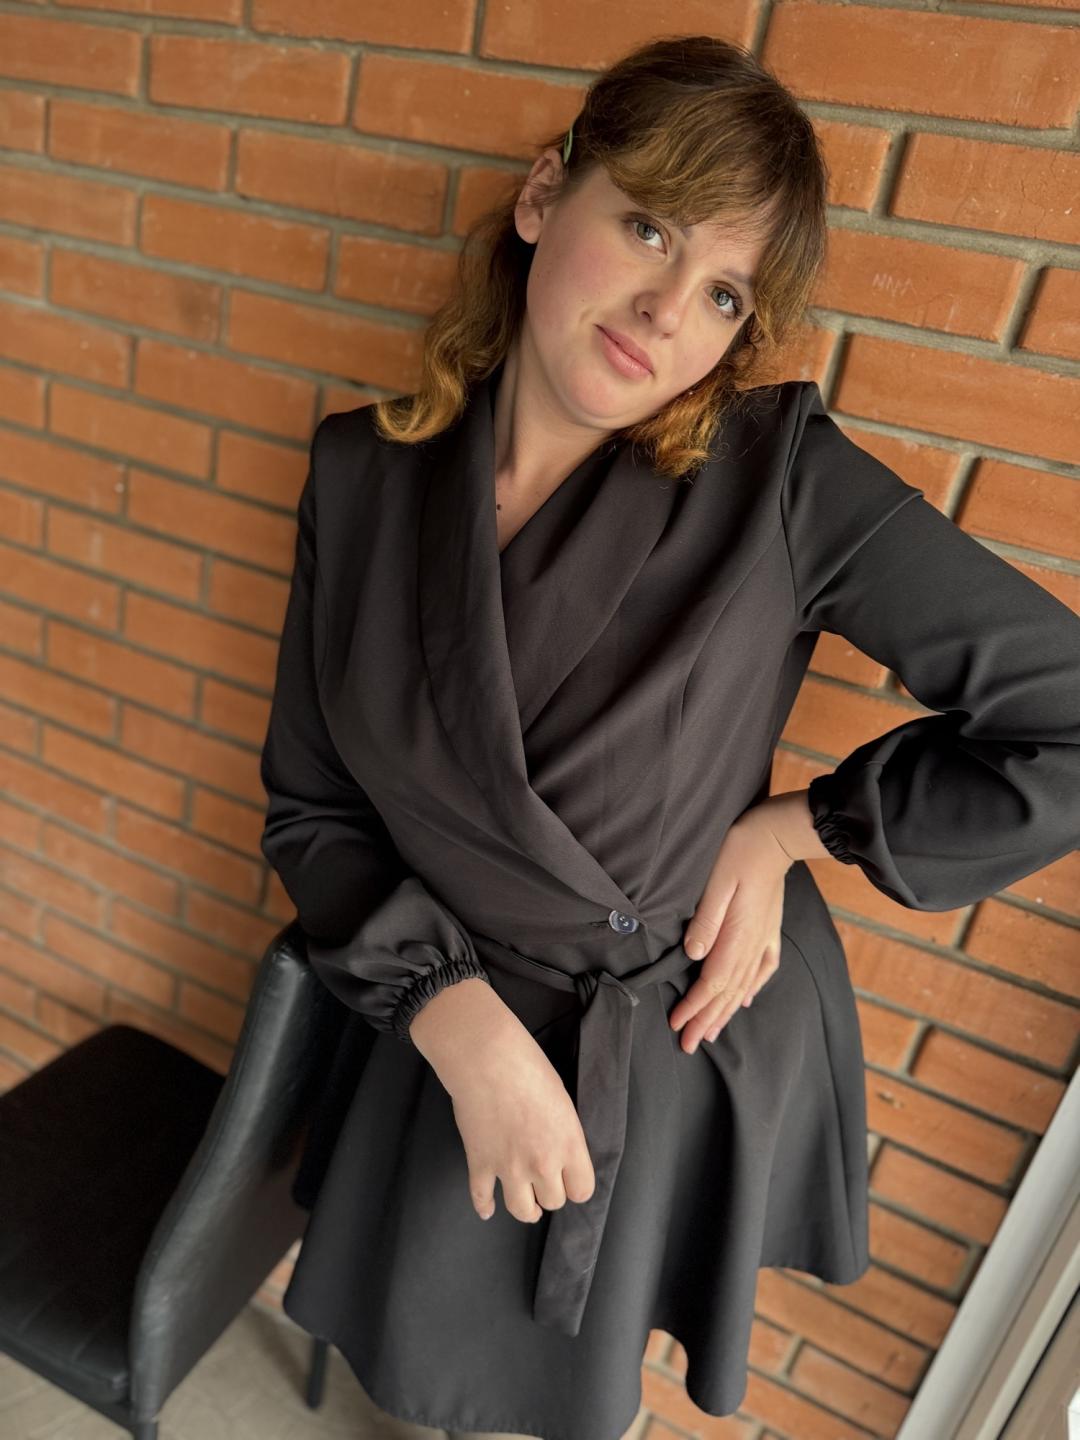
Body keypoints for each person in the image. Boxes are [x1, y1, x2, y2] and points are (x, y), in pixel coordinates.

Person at [257, 33, 1080, 1440]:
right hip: (434, 1007)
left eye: (722, 292)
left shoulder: (779, 482)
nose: (664, 308)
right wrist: (457, 1024)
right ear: (542, 197)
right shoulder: (361, 477)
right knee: (431, 1372)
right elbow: (312, 810)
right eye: (648, 226)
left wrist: (799, 828)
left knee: (578, 1395)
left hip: (664, 1043)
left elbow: (1061, 714)